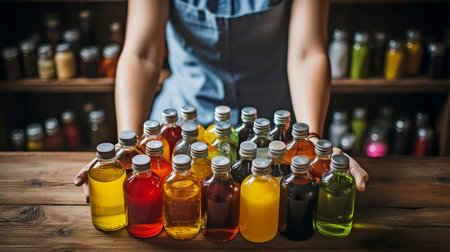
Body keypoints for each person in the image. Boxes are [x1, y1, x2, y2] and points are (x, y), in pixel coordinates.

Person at [74, 0, 368, 201]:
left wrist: (310, 140)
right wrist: (129, 145)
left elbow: (308, 53)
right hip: (180, 129)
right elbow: (142, 54)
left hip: (271, 135)